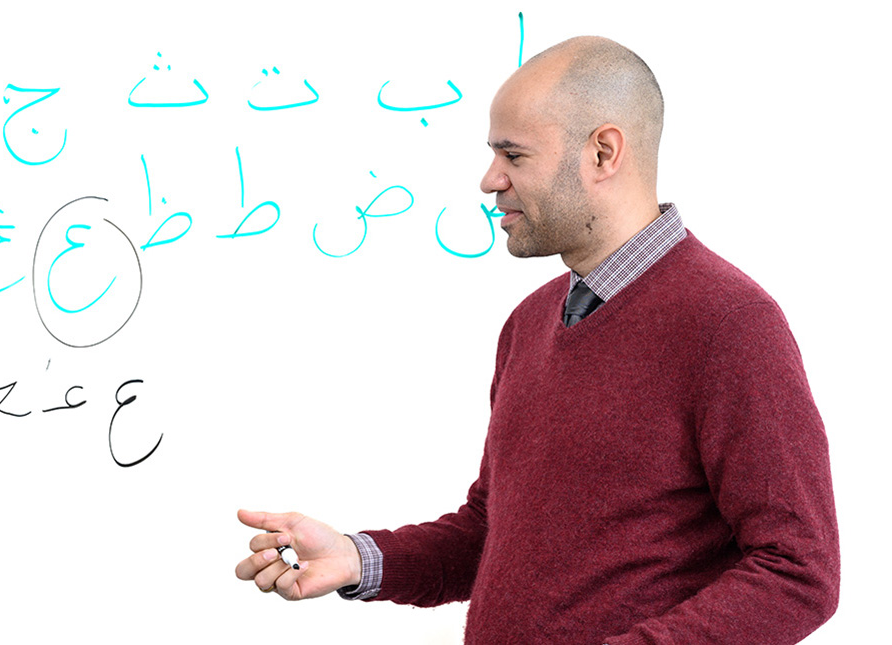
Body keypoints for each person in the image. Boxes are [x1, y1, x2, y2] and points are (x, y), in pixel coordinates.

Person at [235, 36, 839, 644]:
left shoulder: (730, 323)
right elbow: (489, 531)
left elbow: (797, 570)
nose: (489, 180)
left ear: (603, 153)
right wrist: (356, 558)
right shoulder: (528, 322)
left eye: (514, 156)